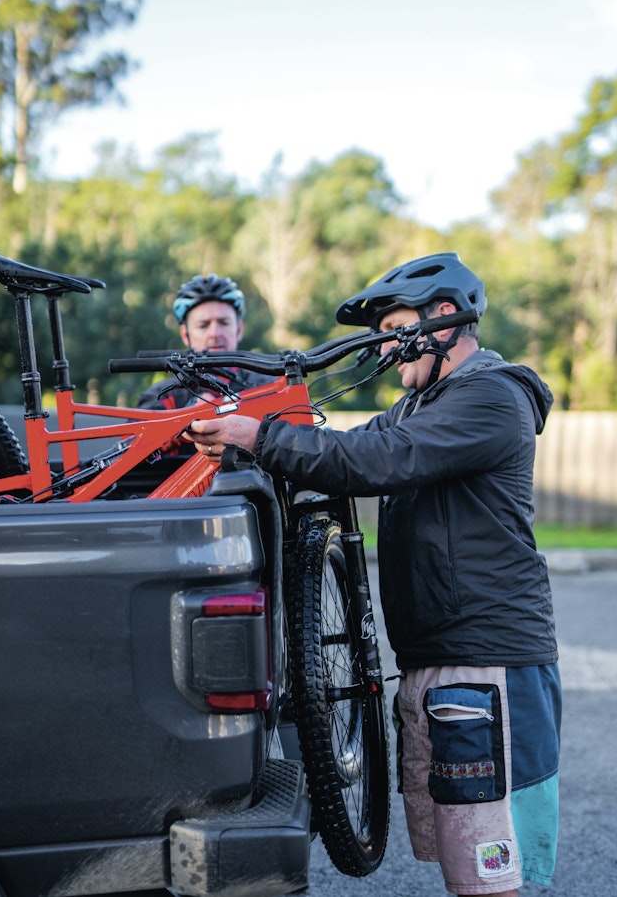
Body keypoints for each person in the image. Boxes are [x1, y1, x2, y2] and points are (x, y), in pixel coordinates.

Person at [182, 252, 561, 897]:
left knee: (500, 871)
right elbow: (341, 448)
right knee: (464, 862)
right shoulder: (423, 404)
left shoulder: (493, 396)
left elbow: (372, 460)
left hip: (491, 665)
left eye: (396, 325)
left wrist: (258, 434)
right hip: (438, 658)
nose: (387, 345)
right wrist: (254, 424)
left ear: (445, 319)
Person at [137, 273, 254, 410]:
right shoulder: (164, 395)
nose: (214, 333)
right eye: (203, 325)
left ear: (239, 330)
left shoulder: (270, 385)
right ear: (185, 335)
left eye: (224, 322)